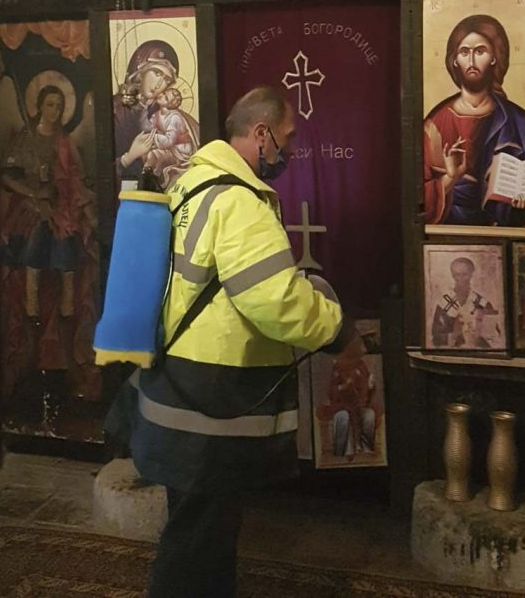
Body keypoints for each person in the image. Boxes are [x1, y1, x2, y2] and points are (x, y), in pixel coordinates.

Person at [105, 86, 362, 598]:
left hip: (173, 379)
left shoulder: (190, 183)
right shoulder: (239, 201)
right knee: (198, 545)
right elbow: (274, 299)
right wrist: (341, 333)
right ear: (261, 134)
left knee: (196, 529)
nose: (290, 150)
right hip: (211, 400)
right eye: (288, 137)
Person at [424, 14, 525, 228]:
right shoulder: (436, 122)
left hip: (504, 228)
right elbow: (417, 194)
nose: (471, 62)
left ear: (494, 58)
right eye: (464, 52)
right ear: (455, 60)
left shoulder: (519, 120)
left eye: (480, 51)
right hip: (452, 227)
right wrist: (451, 177)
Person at [0, 85, 94, 320]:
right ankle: (32, 311)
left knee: (66, 248)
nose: (55, 111)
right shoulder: (26, 137)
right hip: (30, 207)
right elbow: (7, 176)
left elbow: (76, 174)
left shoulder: (64, 141)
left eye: (59, 106)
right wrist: (33, 193)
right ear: (40, 106)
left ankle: (67, 311)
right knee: (35, 246)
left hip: (61, 206)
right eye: (50, 105)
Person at [113, 41, 196, 185]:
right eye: (157, 73)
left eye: (166, 80)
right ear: (140, 72)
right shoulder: (116, 110)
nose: (159, 85)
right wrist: (130, 156)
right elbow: (100, 170)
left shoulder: (166, 112)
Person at [431, 257, 502, 350]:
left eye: (465, 274)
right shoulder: (444, 303)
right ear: (452, 275)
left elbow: (494, 334)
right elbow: (436, 336)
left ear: (471, 274)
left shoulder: (483, 303)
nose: (461, 278)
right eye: (457, 274)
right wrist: (455, 334)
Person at [144, 87, 199, 188]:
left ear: (169, 104)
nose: (161, 95)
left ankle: (147, 178)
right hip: (167, 147)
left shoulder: (174, 118)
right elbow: (148, 127)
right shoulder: (157, 114)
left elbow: (169, 141)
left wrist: (153, 137)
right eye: (164, 93)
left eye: (165, 98)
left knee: (152, 154)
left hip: (180, 152)